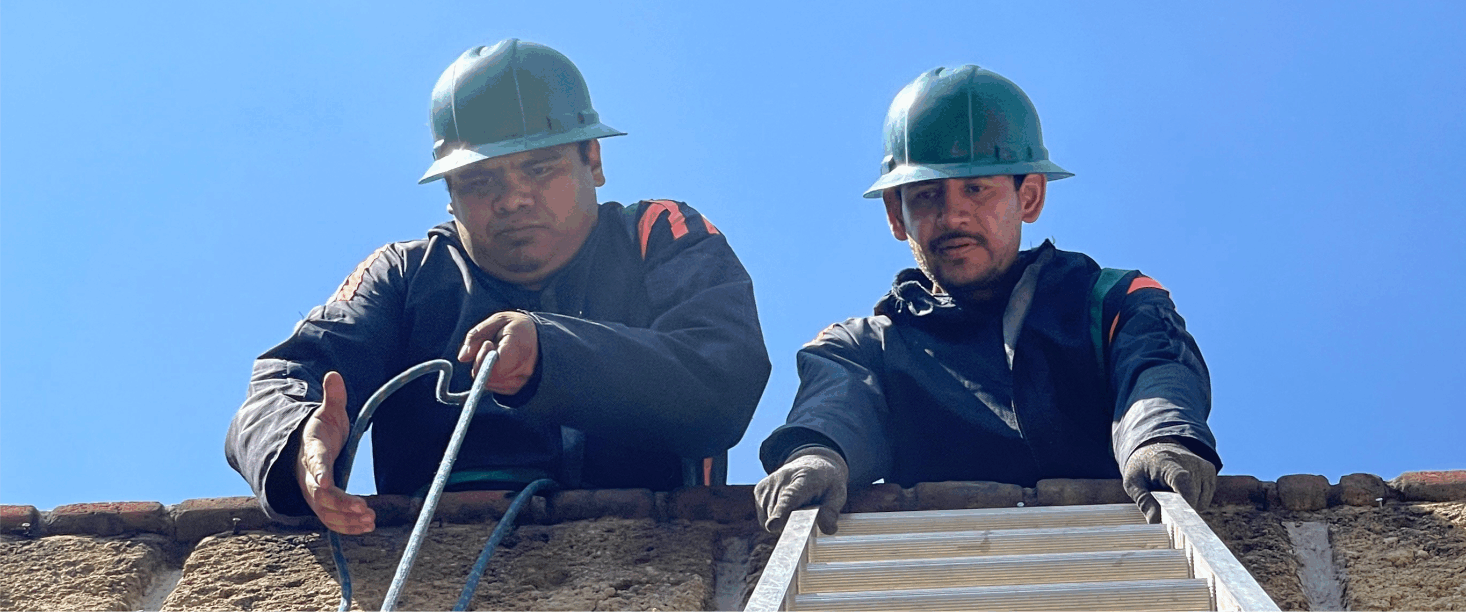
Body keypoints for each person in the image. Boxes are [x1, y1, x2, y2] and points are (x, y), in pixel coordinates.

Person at [228, 39, 771, 534]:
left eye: (539, 168)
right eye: (480, 181)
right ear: (448, 193)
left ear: (594, 159)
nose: (512, 199)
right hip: (431, 567)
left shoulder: (659, 233)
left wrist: (550, 355)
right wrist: (297, 442)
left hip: (655, 554)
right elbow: (284, 379)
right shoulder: (402, 273)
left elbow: (722, 380)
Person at [755, 65, 1219, 534]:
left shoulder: (1113, 304)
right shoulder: (862, 347)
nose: (952, 213)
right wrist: (816, 456)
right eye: (927, 194)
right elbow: (837, 408)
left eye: (976, 189)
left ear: (1030, 196)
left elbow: (1155, 372)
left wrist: (1160, 441)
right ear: (897, 216)